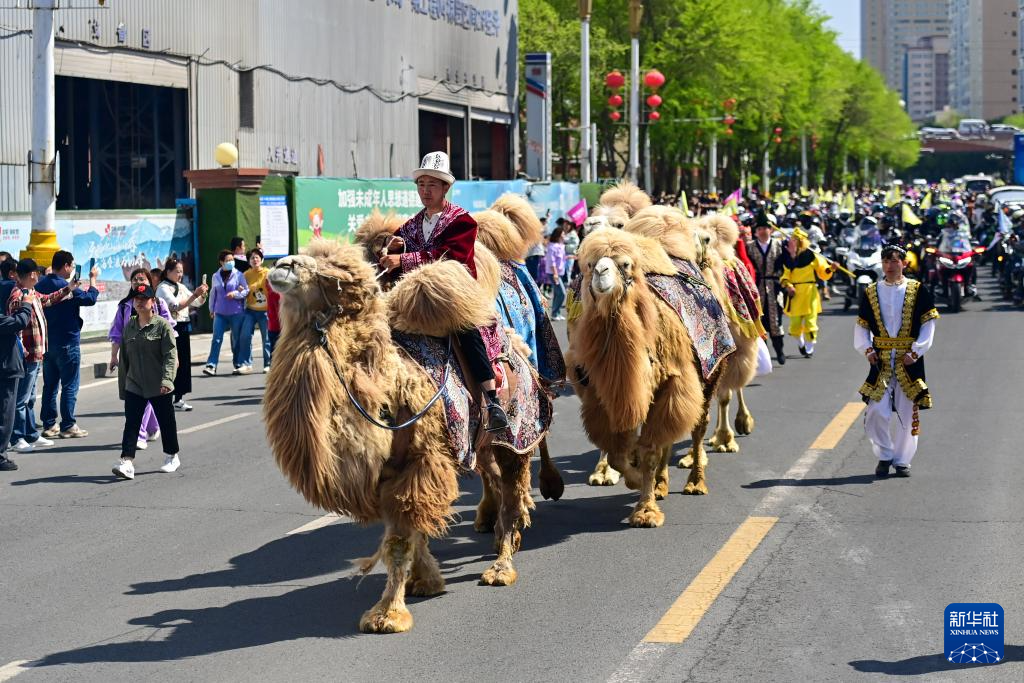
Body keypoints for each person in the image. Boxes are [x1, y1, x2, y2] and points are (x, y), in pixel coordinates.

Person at [377, 151, 508, 432]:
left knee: (467, 330)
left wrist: (405, 259)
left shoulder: (462, 222)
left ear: (445, 187)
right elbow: (395, 253)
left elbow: (453, 257)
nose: (425, 191)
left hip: (451, 295)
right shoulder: (411, 225)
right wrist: (389, 250)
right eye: (421, 184)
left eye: (432, 185)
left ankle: (491, 400)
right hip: (414, 299)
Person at [854, 243, 938, 478]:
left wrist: (916, 351)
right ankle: (884, 455)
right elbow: (862, 325)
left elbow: (928, 324)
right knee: (876, 411)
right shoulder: (871, 291)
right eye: (885, 261)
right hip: (880, 359)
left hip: (908, 359)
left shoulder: (918, 290)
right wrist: (866, 349)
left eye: (894, 260)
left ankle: (902, 461)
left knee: (906, 411)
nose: (889, 265)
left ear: (904, 263)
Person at [111, 284, 181, 480]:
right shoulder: (129, 326)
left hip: (159, 383)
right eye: (136, 299)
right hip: (135, 383)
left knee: (166, 422)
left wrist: (167, 380)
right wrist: (124, 386)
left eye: (144, 299)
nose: (139, 302)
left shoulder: (162, 326)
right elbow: (125, 359)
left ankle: (172, 456)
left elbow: (170, 356)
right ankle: (127, 461)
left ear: (153, 301)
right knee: (132, 423)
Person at [6, 259, 74, 452]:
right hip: (26, 355)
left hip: (36, 354)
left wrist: (69, 288)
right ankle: (17, 438)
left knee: (29, 399)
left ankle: (30, 434)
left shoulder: (31, 292)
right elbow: (15, 323)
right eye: (37, 273)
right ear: (33, 274)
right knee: (21, 400)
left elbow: (47, 299)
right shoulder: (19, 295)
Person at [36, 250, 99, 438]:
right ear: (65, 266)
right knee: (70, 385)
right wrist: (93, 279)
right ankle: (68, 425)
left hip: (48, 343)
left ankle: (49, 425)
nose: (72, 269)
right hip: (68, 342)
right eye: (71, 266)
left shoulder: (40, 284)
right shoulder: (66, 287)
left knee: (50, 386)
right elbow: (90, 299)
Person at [156, 258, 208, 411]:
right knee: (171, 362)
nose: (180, 274)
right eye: (177, 271)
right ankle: (166, 397)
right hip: (170, 327)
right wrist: (195, 294)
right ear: (168, 272)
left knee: (183, 363)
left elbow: (196, 302)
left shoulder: (181, 286)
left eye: (181, 272)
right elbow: (175, 306)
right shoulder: (163, 288)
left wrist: (203, 294)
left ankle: (178, 398)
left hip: (183, 326)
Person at [781, 227, 834, 359]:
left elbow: (823, 271)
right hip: (795, 294)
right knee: (795, 324)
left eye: (797, 240)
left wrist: (831, 269)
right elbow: (784, 276)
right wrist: (788, 286)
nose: (794, 242)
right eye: (793, 240)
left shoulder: (813, 255)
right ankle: (801, 344)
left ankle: (809, 348)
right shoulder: (788, 258)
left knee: (811, 322)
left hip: (810, 292)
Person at [746, 212, 789, 364]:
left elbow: (789, 263)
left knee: (776, 321)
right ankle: (764, 357)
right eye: (760, 229)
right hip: (757, 288)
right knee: (759, 322)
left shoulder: (779, 245)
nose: (763, 231)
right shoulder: (750, 247)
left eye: (765, 228)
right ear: (756, 231)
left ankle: (779, 351)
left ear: (770, 230)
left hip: (774, 287)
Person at [204, 249, 249, 375]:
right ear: (221, 262)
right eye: (228, 260)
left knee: (236, 339)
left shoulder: (239, 275)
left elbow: (246, 291)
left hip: (236, 313)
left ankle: (238, 363)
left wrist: (235, 294)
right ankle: (211, 365)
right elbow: (213, 294)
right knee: (216, 339)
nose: (231, 262)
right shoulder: (215, 276)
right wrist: (211, 309)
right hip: (220, 313)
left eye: (232, 260)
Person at [0, 296, 32, 471]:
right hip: (6, 371)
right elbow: (19, 322)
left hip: (7, 367)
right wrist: (26, 304)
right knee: (5, 414)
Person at [238, 248, 270, 373]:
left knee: (266, 338)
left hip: (265, 311)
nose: (255, 259)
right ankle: (246, 364)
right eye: (252, 258)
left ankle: (268, 364)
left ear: (262, 259)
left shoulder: (268, 273)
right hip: (250, 310)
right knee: (245, 336)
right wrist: (241, 290)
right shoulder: (245, 275)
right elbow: (242, 290)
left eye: (257, 257)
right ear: (248, 261)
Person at [544, 226, 567, 320]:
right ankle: (554, 313)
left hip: (559, 273)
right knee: (562, 293)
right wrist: (555, 274)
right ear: (558, 235)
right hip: (554, 273)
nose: (564, 235)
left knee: (557, 294)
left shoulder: (561, 245)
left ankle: (556, 313)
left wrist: (571, 257)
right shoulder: (552, 246)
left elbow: (561, 259)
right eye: (563, 234)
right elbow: (551, 262)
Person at [266, 279, 281, 370]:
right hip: (279, 326)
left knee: (274, 350)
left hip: (272, 326)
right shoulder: (277, 294)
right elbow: (279, 312)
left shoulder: (270, 292)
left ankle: (273, 369)